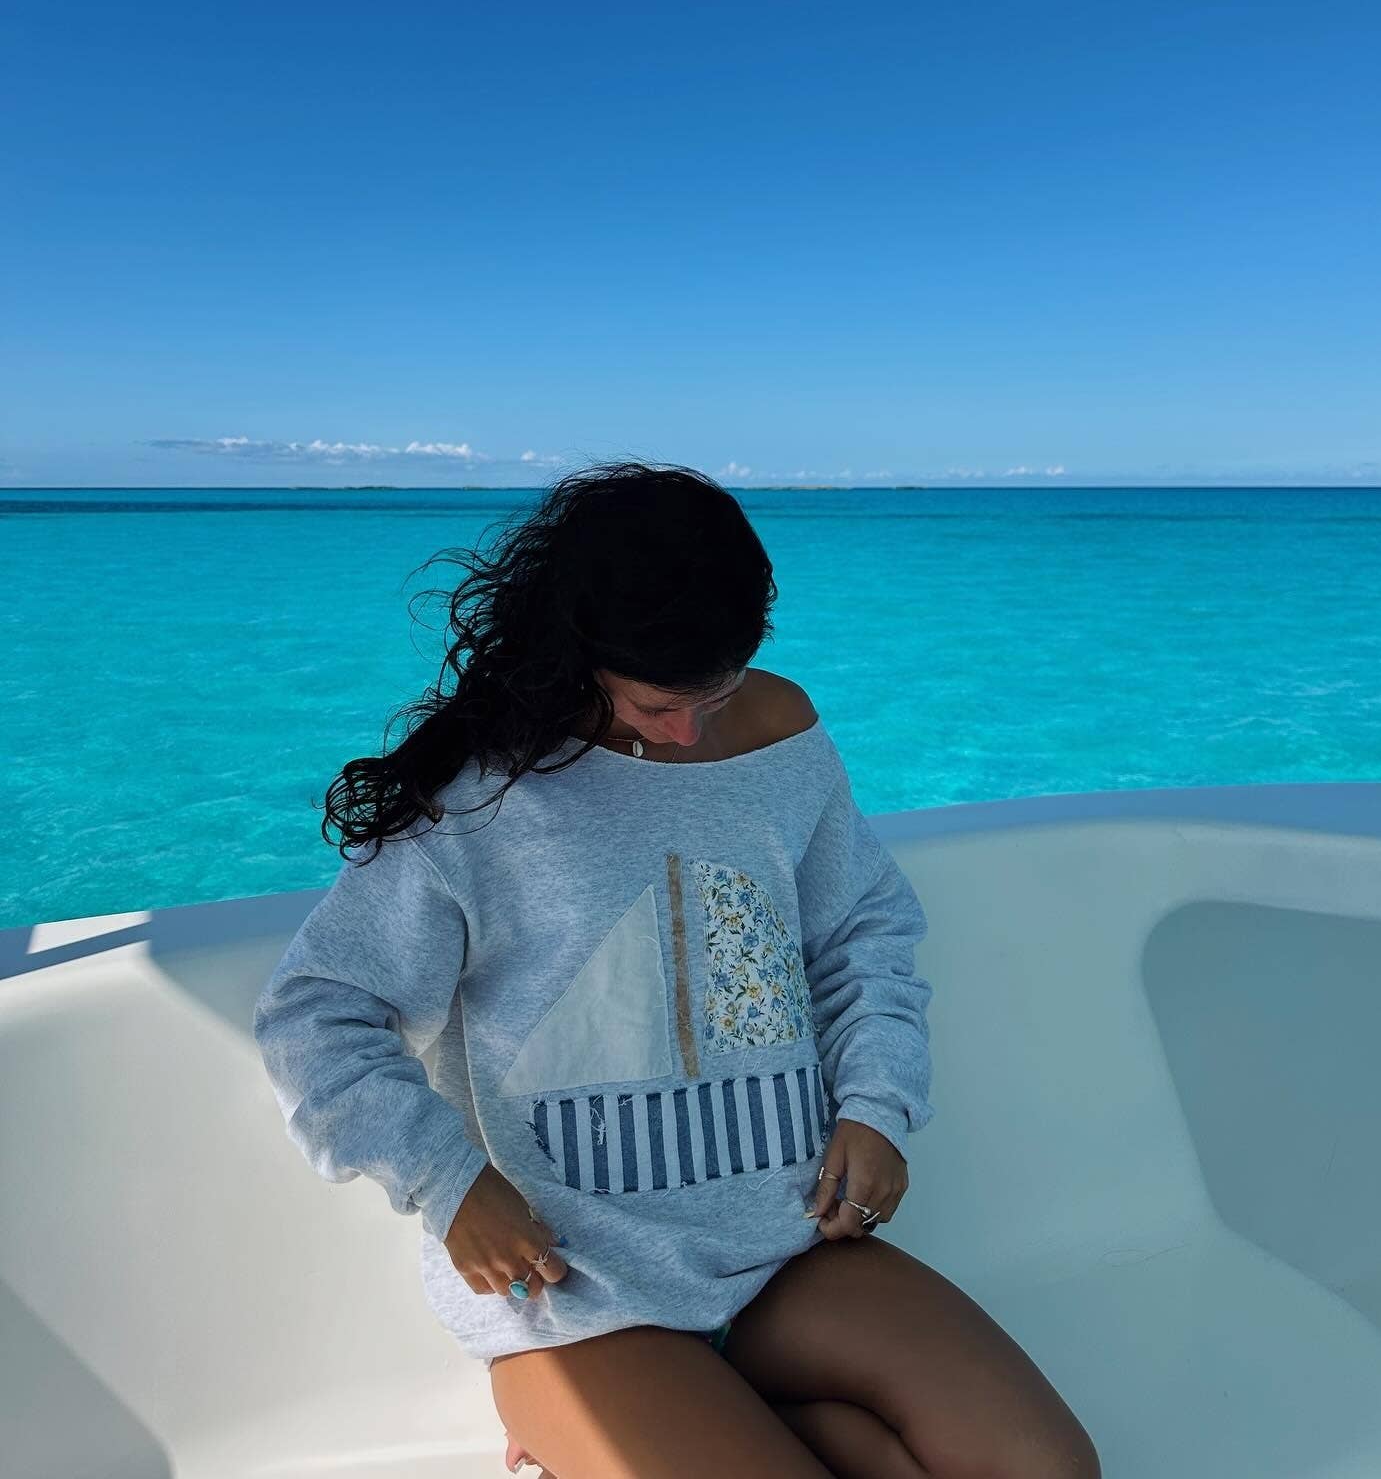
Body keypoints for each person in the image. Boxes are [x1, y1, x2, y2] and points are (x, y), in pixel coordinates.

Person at [253, 460, 1101, 1478]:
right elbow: (318, 1014)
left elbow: (860, 929)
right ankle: (615, 1418)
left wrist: (877, 1105)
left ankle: (715, 1423)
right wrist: (451, 1186)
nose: (692, 730)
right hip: (575, 1294)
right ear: (578, 651)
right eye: (658, 704)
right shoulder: (475, 797)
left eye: (720, 689)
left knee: (1048, 1468)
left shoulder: (781, 736)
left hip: (785, 1249)